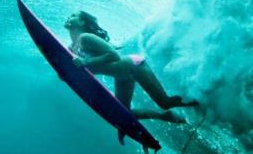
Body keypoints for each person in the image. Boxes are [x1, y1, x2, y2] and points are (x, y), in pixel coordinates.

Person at [64, 11, 198, 123]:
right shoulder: (72, 48)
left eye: (74, 16)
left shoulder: (85, 38)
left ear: (82, 22)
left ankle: (200, 101)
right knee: (124, 112)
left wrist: (86, 62)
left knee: (165, 103)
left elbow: (113, 55)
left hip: (134, 66)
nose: (69, 17)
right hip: (121, 76)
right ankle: (163, 116)